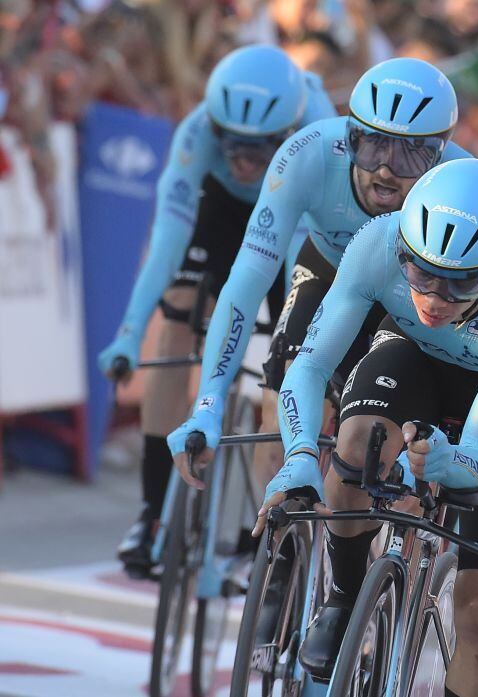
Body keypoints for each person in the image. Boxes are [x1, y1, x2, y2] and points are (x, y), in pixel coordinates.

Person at [251, 158, 478, 696]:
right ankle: (345, 594)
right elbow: (310, 366)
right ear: (404, 250)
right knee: (356, 441)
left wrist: (453, 462)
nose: (437, 298)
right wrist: (300, 456)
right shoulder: (377, 242)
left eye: (462, 282)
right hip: (412, 356)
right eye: (422, 274)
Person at [166, 57, 469, 510]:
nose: (386, 169)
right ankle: (275, 541)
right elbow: (246, 283)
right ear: (349, 137)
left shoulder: (460, 188)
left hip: (414, 298)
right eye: (372, 146)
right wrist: (208, 401)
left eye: (410, 153)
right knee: (284, 385)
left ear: (439, 155)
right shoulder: (307, 153)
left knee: (384, 445)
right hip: (329, 270)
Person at [97, 44, 336, 578]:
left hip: (294, 209)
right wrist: (129, 337)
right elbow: (165, 246)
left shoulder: (316, 136)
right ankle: (153, 509)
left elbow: (292, 268)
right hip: (222, 209)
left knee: (289, 361)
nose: (246, 161)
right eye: (234, 145)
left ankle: (268, 535)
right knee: (178, 316)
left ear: (290, 129)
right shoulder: (196, 131)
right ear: (214, 125)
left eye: (261, 148)